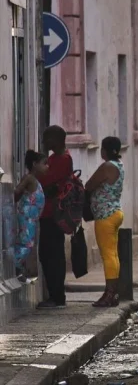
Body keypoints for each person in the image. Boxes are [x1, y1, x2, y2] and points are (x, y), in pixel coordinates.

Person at [84, 137, 126, 307]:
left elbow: (89, 185)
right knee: (113, 255)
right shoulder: (119, 165)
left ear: (105, 150)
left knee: (108, 255)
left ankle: (110, 293)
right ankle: (113, 293)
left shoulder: (107, 166)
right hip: (115, 212)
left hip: (105, 215)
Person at [37, 125, 74, 309]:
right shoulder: (53, 158)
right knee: (47, 254)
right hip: (47, 212)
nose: (45, 142)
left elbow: (46, 180)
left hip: (54, 213)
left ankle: (57, 296)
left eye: (48, 138)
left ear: (57, 140)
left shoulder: (63, 159)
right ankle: (55, 294)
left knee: (52, 254)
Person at [13, 150, 47, 283]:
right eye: (44, 163)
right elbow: (17, 191)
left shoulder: (36, 181)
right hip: (26, 218)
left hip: (32, 219)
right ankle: (14, 265)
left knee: (27, 244)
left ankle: (18, 270)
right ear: (34, 164)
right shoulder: (29, 178)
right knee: (26, 244)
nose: (46, 167)